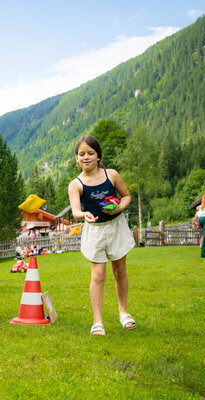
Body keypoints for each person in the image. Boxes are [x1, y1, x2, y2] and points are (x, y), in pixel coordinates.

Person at [67, 135, 135, 336]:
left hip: (116, 227)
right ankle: (97, 322)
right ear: (76, 159)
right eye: (82, 154)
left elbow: (126, 196)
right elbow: (76, 211)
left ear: (98, 156)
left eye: (90, 153)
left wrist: (118, 208)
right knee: (98, 276)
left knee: (120, 271)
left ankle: (123, 312)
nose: (86, 157)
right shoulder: (76, 184)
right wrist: (84, 215)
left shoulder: (111, 175)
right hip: (95, 231)